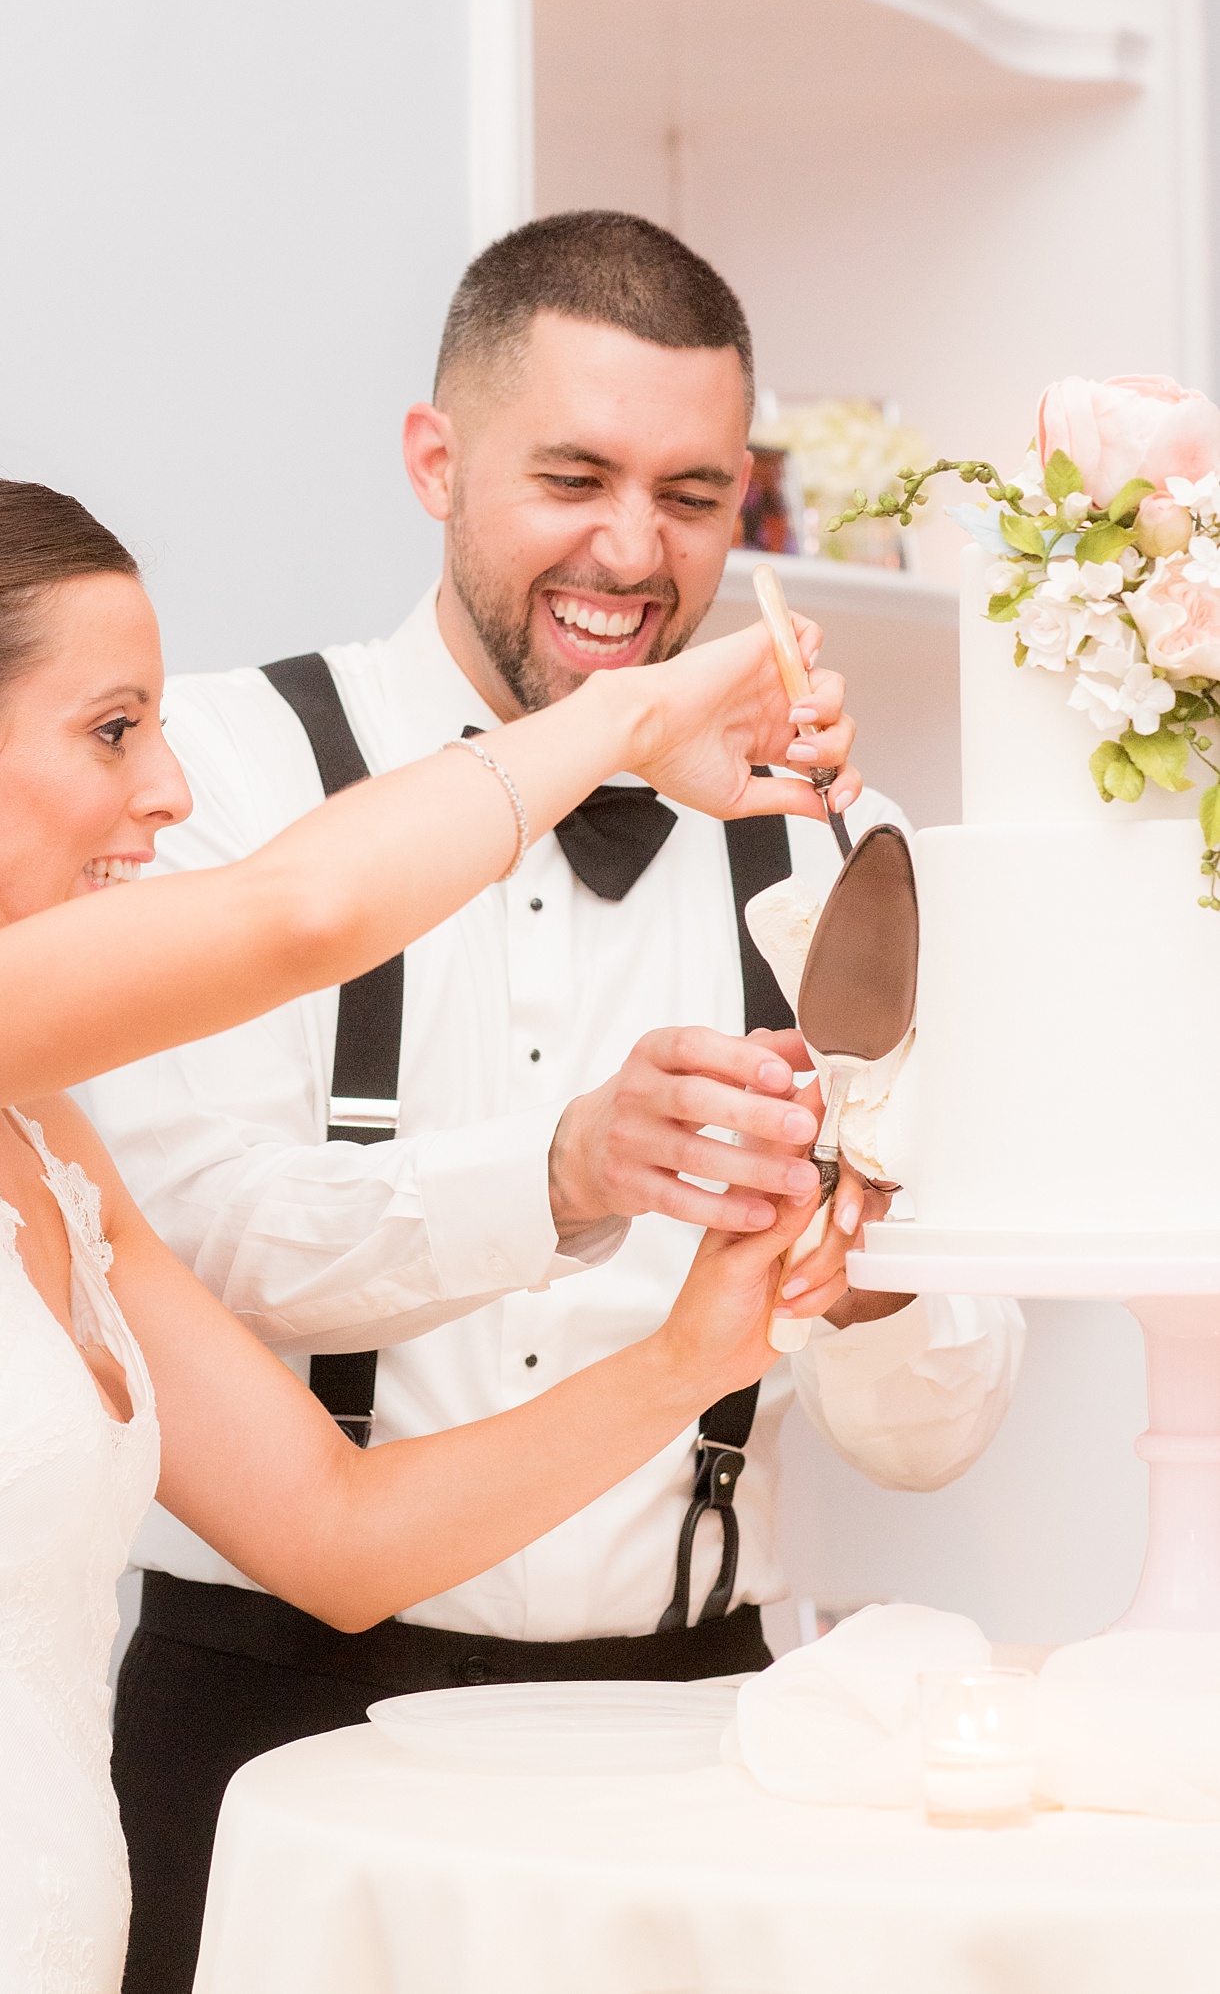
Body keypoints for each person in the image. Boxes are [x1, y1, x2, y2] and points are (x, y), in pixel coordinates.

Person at [0, 354, 860, 1994]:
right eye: (117, 728)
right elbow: (299, 916)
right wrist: (627, 718)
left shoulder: (36, 1135)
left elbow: (340, 1535)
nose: (171, 788)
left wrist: (709, 1346)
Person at [90, 211, 1025, 1994]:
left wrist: (876, 1276)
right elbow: (207, 1241)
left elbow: (934, 1430)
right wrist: (571, 1163)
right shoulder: (218, 775)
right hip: (278, 1717)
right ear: (437, 459)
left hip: (693, 1732)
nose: (632, 548)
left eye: (691, 493)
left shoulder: (842, 846)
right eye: (574, 474)